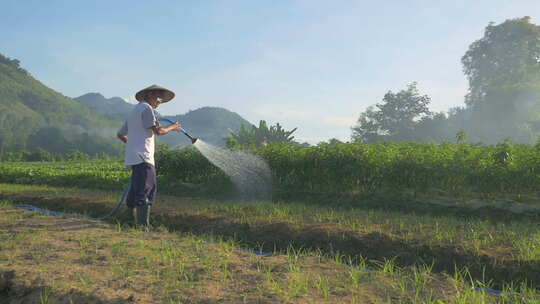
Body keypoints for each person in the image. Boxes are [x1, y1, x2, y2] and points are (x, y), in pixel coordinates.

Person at [116, 84, 181, 226]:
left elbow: (120, 135)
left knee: (136, 188)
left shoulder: (134, 111)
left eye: (161, 100)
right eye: (158, 98)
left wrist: (133, 144)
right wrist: (173, 127)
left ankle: (127, 220)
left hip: (134, 157)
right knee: (147, 188)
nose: (159, 102)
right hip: (144, 157)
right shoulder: (147, 109)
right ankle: (142, 225)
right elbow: (159, 132)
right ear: (150, 95)